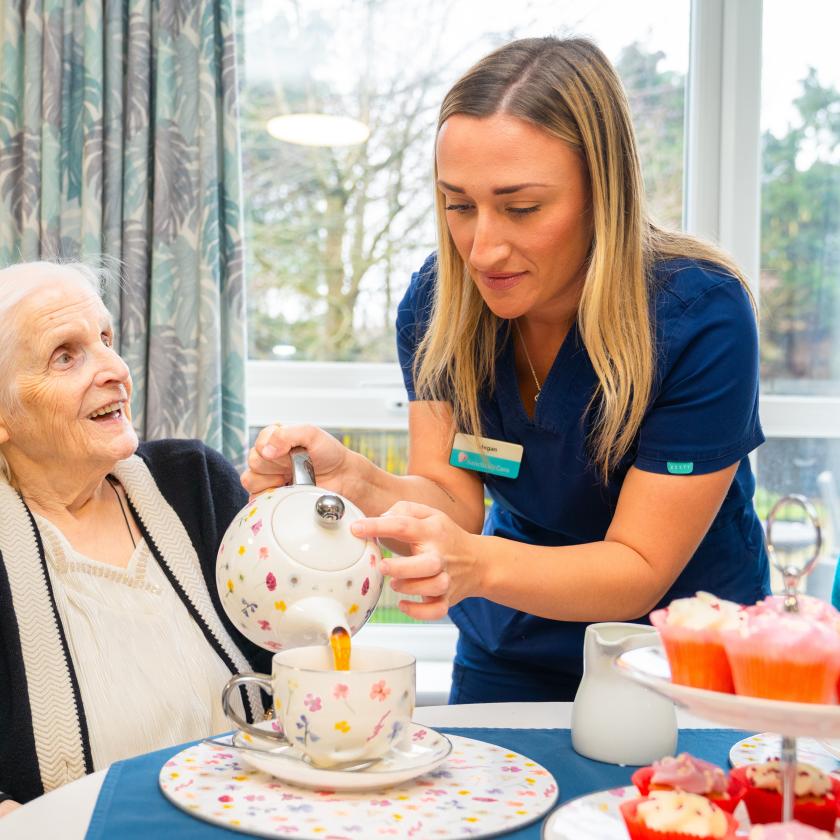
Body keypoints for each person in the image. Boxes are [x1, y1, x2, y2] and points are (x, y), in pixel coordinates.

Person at [243, 36, 769, 704]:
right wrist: (360, 481)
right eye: (459, 205)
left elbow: (638, 567)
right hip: (513, 642)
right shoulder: (438, 306)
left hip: (677, 652)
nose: (482, 249)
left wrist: (478, 564)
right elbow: (454, 504)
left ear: (603, 195)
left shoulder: (699, 315)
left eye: (521, 208)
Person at [0, 261, 270, 810]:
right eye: (65, 355)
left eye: (105, 338)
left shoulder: (197, 484)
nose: (116, 369)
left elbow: (296, 660)